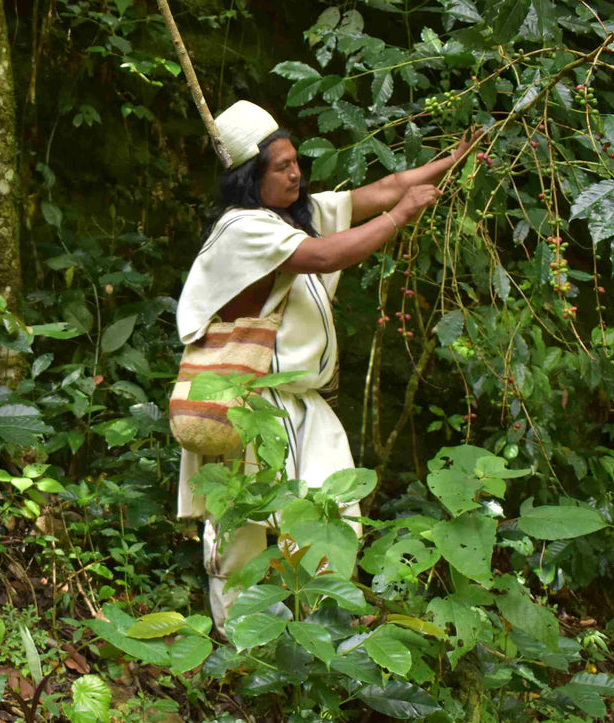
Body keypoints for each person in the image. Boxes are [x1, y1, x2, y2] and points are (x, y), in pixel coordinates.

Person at [176, 100, 475, 630]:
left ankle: (314, 630)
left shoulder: (289, 215)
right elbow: (326, 255)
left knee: (330, 514)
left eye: (296, 162)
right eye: (282, 167)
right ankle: (243, 641)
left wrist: (450, 161)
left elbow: (377, 192)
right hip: (252, 400)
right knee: (242, 523)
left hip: (302, 402)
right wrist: (400, 216)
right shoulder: (244, 227)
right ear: (251, 178)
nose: (297, 174)